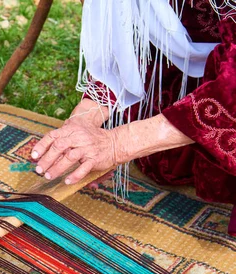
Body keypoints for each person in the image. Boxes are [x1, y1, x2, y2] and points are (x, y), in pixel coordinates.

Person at [30, 0, 236, 236]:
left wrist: (116, 144)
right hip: (183, 65)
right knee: (164, 164)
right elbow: (131, 28)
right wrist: (84, 120)